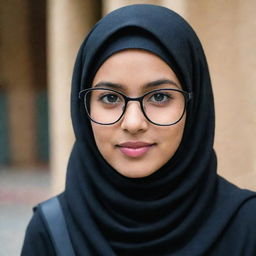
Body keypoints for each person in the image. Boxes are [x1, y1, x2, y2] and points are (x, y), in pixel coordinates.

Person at [21, 4, 256, 256]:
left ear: (194, 105)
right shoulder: (52, 232)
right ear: (83, 108)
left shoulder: (248, 226)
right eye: (111, 98)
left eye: (160, 96)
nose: (133, 123)